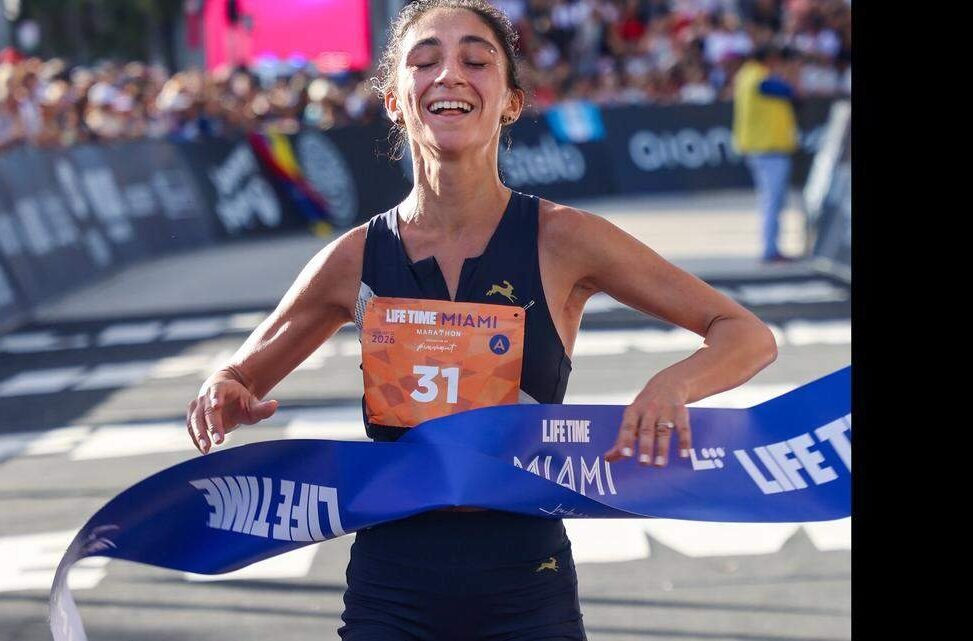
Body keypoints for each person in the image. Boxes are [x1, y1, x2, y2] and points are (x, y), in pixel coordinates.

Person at [183, 1, 778, 639]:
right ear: (392, 100)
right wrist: (224, 391)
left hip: (528, 586)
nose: (450, 76)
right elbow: (239, 376)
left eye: (475, 60)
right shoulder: (353, 257)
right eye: (425, 61)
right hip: (392, 592)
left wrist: (674, 386)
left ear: (512, 101)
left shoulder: (563, 239)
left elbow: (745, 334)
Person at [733, 43, 799, 263]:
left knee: (771, 200)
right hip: (768, 148)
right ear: (769, 58)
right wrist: (790, 71)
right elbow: (789, 91)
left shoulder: (746, 74)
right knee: (773, 200)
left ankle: (772, 247)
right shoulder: (759, 77)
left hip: (761, 147)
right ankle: (770, 250)